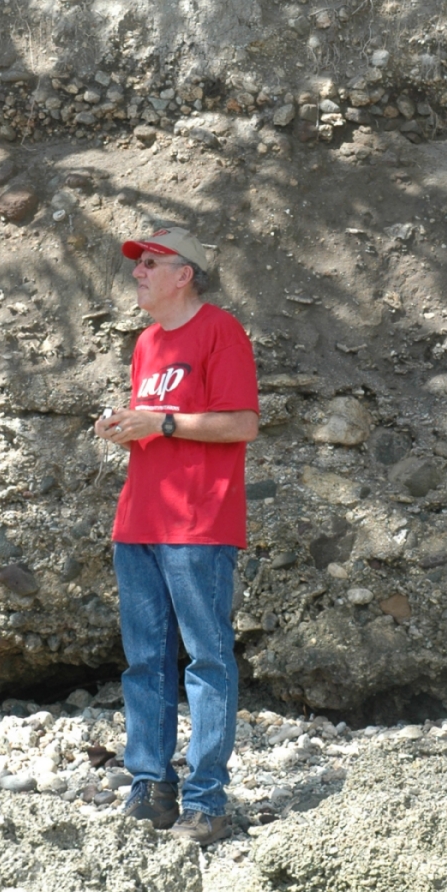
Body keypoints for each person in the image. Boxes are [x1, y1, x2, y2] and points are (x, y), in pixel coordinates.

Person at [95, 224, 258, 844]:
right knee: (144, 661)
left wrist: (157, 422)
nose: (137, 272)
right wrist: (129, 426)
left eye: (151, 263)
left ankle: (207, 799)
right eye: (137, 264)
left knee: (207, 658)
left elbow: (241, 423)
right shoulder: (145, 344)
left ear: (183, 273)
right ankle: (151, 787)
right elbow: (164, 427)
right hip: (139, 519)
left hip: (198, 522)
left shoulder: (220, 331)